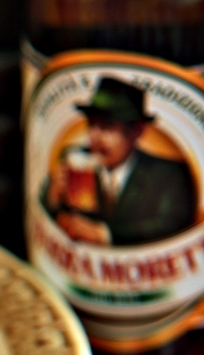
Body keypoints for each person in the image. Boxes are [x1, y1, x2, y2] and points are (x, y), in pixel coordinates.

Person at [43, 76, 198, 246]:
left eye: (107, 127)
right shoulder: (74, 160)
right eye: (91, 125)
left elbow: (171, 225)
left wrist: (103, 234)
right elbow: (42, 207)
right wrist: (52, 198)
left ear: (137, 131)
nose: (94, 138)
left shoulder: (169, 174)